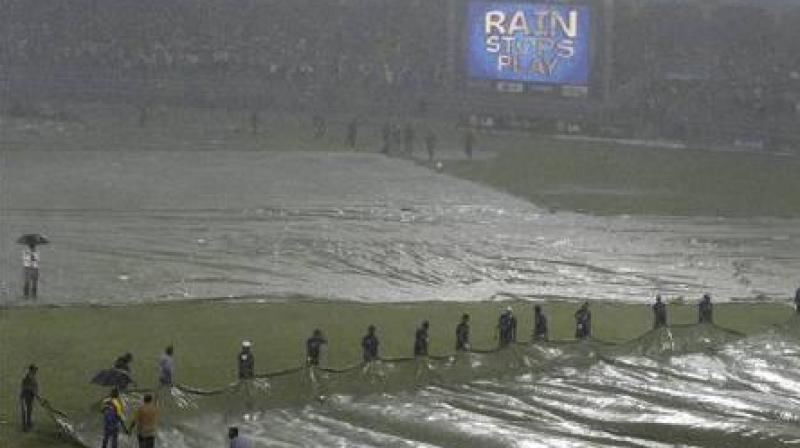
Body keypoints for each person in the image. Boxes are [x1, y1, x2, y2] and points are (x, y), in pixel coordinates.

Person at [20, 364, 38, 432]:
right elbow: (23, 386)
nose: (35, 371)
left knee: (29, 410)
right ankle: (24, 426)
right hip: (24, 396)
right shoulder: (25, 377)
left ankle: (29, 423)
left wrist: (36, 392)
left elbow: (36, 385)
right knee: (25, 411)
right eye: (34, 370)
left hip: (31, 396)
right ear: (31, 370)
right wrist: (31, 389)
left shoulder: (33, 377)